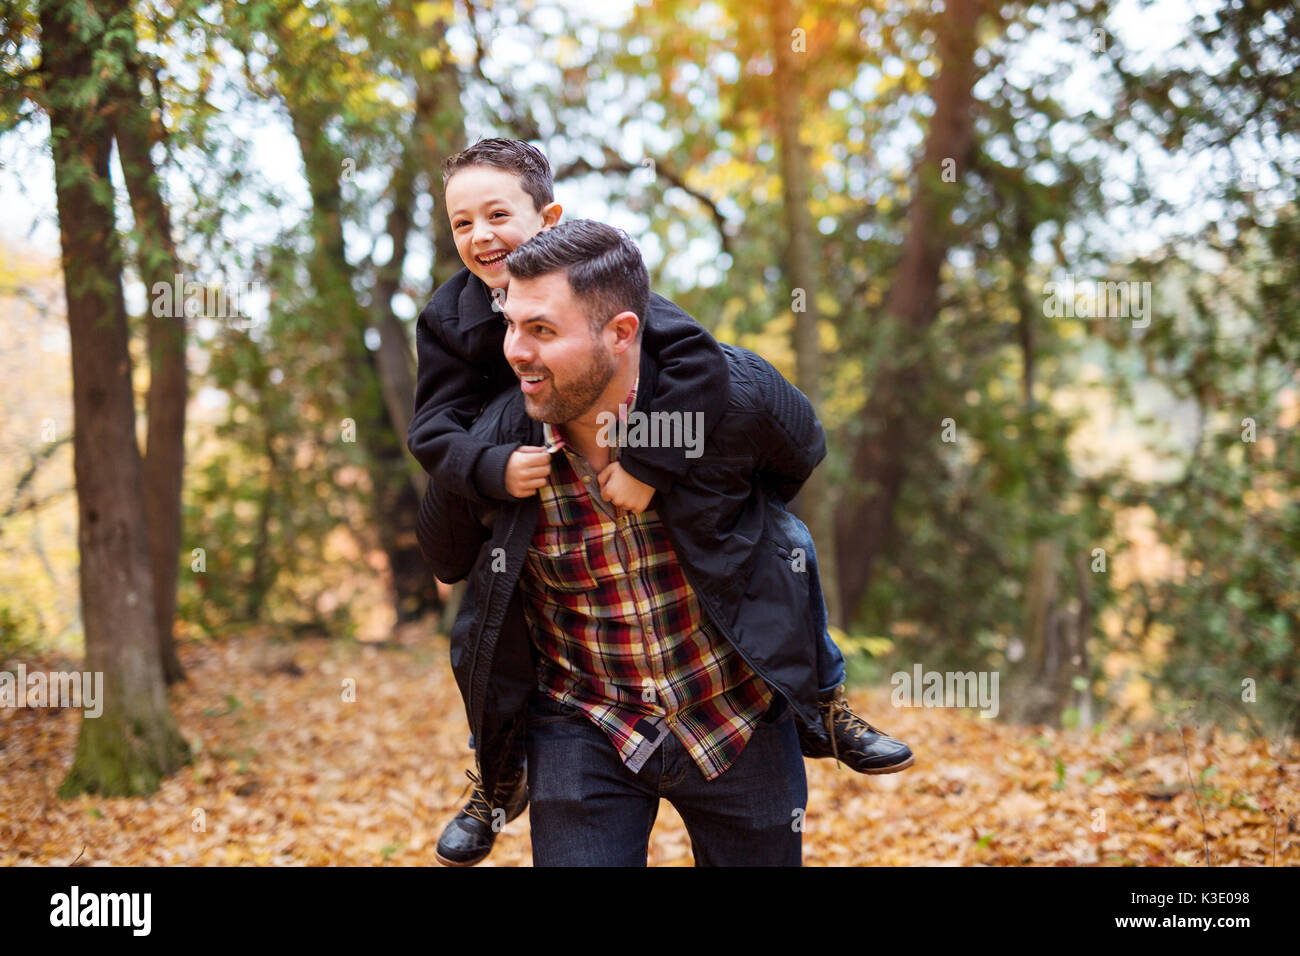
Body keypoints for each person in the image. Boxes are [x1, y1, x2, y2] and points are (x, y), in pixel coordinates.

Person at [407, 140, 913, 866]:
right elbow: (433, 438)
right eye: (462, 223)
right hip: (585, 716)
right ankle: (496, 780)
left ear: (548, 219)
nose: (481, 236)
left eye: (497, 215)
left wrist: (652, 460)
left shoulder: (634, 308)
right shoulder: (453, 322)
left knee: (784, 537)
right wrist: (488, 466)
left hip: (732, 710)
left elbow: (730, 388)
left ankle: (824, 704)